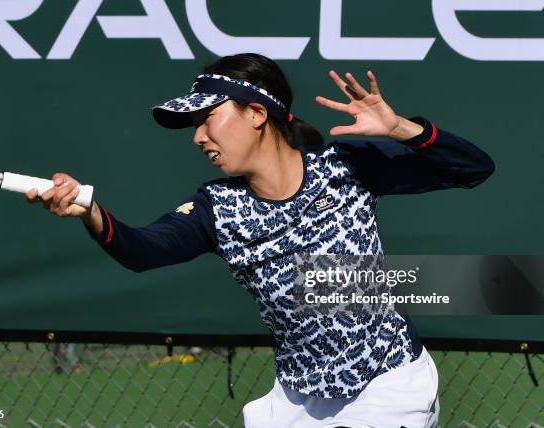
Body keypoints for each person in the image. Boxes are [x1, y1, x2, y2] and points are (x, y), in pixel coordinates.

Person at [26, 53, 495, 427]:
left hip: (387, 388)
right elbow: (143, 250)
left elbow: (473, 168)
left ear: (256, 114)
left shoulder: (344, 166)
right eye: (193, 126)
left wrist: (399, 129)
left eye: (208, 118)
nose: (198, 137)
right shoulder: (217, 208)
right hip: (295, 402)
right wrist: (89, 211)